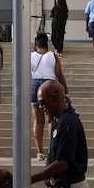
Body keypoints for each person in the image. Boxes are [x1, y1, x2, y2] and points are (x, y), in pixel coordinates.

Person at [31, 32, 69, 160]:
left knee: (37, 120)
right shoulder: (53, 56)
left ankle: (39, 152)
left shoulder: (30, 56)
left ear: (36, 45)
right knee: (50, 119)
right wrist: (65, 89)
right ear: (46, 45)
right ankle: (51, 150)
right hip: (49, 86)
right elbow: (59, 74)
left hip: (34, 85)